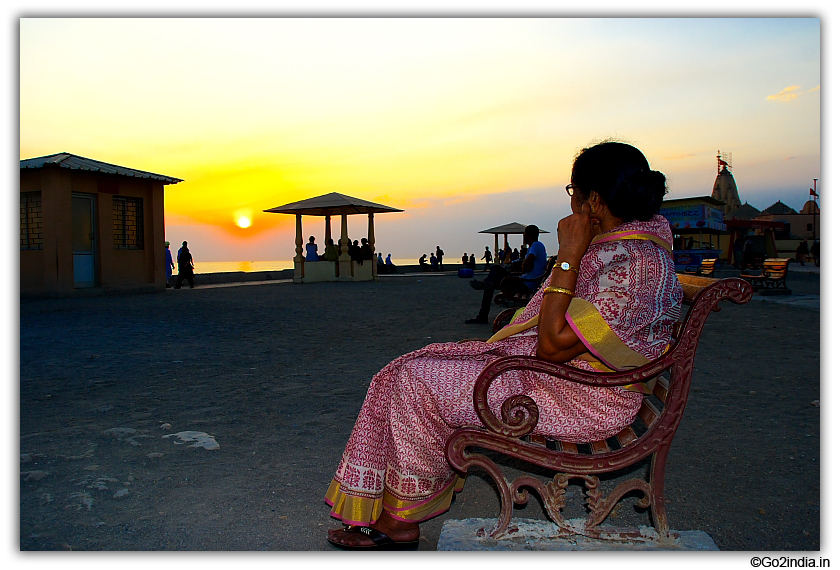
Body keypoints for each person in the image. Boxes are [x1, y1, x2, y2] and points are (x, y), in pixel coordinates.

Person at [325, 140, 682, 550]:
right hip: (568, 381)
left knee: (414, 381)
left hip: (584, 399)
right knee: (407, 368)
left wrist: (568, 254)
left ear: (594, 201)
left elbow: (551, 345)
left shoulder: (631, 264)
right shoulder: (627, 249)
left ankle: (399, 524)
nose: (571, 204)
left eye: (573, 192)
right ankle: (396, 509)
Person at [465, 224, 547, 324]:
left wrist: (523, 264)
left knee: (493, 275)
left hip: (526, 284)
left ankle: (482, 315)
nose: (524, 237)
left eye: (524, 235)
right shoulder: (537, 246)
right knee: (494, 273)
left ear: (527, 235)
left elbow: (527, 266)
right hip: (525, 281)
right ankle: (488, 283)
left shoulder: (536, 245)